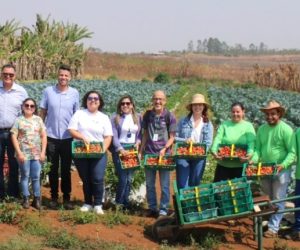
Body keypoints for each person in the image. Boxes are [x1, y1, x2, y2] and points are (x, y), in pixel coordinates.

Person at [251, 100, 295, 238]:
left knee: (278, 199)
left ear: (279, 114)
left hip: (281, 169)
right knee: (268, 198)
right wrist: (253, 160)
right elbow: (257, 149)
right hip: (264, 169)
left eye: (273, 114)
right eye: (268, 114)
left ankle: (273, 228)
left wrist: (284, 164)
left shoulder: (286, 129)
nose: (270, 116)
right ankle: (270, 221)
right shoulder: (262, 129)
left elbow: (292, 152)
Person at [39, 65, 79, 209]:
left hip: (68, 138)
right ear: (58, 75)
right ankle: (54, 197)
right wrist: (39, 129)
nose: (63, 78)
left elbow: (77, 115)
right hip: (51, 137)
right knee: (53, 168)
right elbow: (43, 112)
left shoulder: (74, 93)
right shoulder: (48, 91)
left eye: (66, 76)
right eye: (61, 75)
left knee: (66, 168)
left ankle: (67, 197)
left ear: (70, 77)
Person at [68, 90, 112, 215]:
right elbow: (71, 129)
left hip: (98, 152)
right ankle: (87, 203)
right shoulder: (79, 114)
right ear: (86, 101)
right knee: (85, 178)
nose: (93, 100)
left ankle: (98, 204)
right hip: (81, 150)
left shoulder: (104, 117)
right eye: (90, 98)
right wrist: (82, 137)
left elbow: (108, 136)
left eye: (96, 99)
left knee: (97, 177)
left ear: (99, 102)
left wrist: (103, 149)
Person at [140, 90, 176, 217]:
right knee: (150, 184)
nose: (158, 101)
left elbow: (172, 137)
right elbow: (144, 133)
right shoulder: (148, 115)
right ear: (152, 100)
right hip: (149, 154)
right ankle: (152, 208)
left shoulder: (169, 116)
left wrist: (165, 148)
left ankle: (163, 209)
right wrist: (141, 150)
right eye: (155, 99)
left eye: (160, 99)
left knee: (164, 184)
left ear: (165, 101)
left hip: (164, 155)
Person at [10, 98, 47, 209]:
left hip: (36, 154)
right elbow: (13, 136)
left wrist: (43, 152)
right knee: (25, 176)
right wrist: (19, 152)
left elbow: (43, 136)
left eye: (32, 106)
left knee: (36, 177)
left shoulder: (38, 120)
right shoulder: (18, 120)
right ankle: (25, 198)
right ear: (23, 107)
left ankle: (37, 199)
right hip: (24, 154)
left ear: (34, 108)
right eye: (27, 105)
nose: (29, 108)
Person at [0, 64, 28, 199]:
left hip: (14, 133)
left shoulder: (21, 92)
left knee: (13, 163)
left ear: (15, 76)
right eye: (5, 74)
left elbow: (27, 111)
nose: (8, 76)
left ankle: (13, 194)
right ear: (1, 74)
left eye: (11, 74)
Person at [175, 94, 213, 189]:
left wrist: (199, 150)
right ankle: (183, 202)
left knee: (195, 183)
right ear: (191, 107)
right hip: (183, 155)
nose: (197, 107)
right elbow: (174, 138)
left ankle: (191, 203)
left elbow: (208, 143)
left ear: (204, 107)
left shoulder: (207, 124)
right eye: (195, 105)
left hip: (199, 156)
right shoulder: (183, 121)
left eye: (200, 105)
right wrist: (185, 140)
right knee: (182, 184)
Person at [110, 95, 142, 209]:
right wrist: (120, 149)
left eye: (128, 103)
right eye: (123, 103)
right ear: (120, 106)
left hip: (132, 149)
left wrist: (138, 142)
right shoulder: (115, 117)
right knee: (123, 177)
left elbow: (140, 135)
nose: (125, 105)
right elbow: (113, 135)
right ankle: (119, 202)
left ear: (132, 105)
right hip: (120, 149)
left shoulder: (138, 117)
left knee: (129, 178)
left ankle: (125, 202)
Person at [211, 102, 256, 182]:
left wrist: (248, 155)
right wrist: (214, 151)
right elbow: (218, 139)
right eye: (233, 112)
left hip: (240, 166)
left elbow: (251, 143)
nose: (235, 114)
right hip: (223, 164)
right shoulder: (224, 125)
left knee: (238, 191)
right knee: (220, 189)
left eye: (238, 112)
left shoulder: (248, 126)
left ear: (243, 112)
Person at [284, 128, 300, 241]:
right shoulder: (298, 132)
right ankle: (298, 231)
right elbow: (293, 152)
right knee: (298, 204)